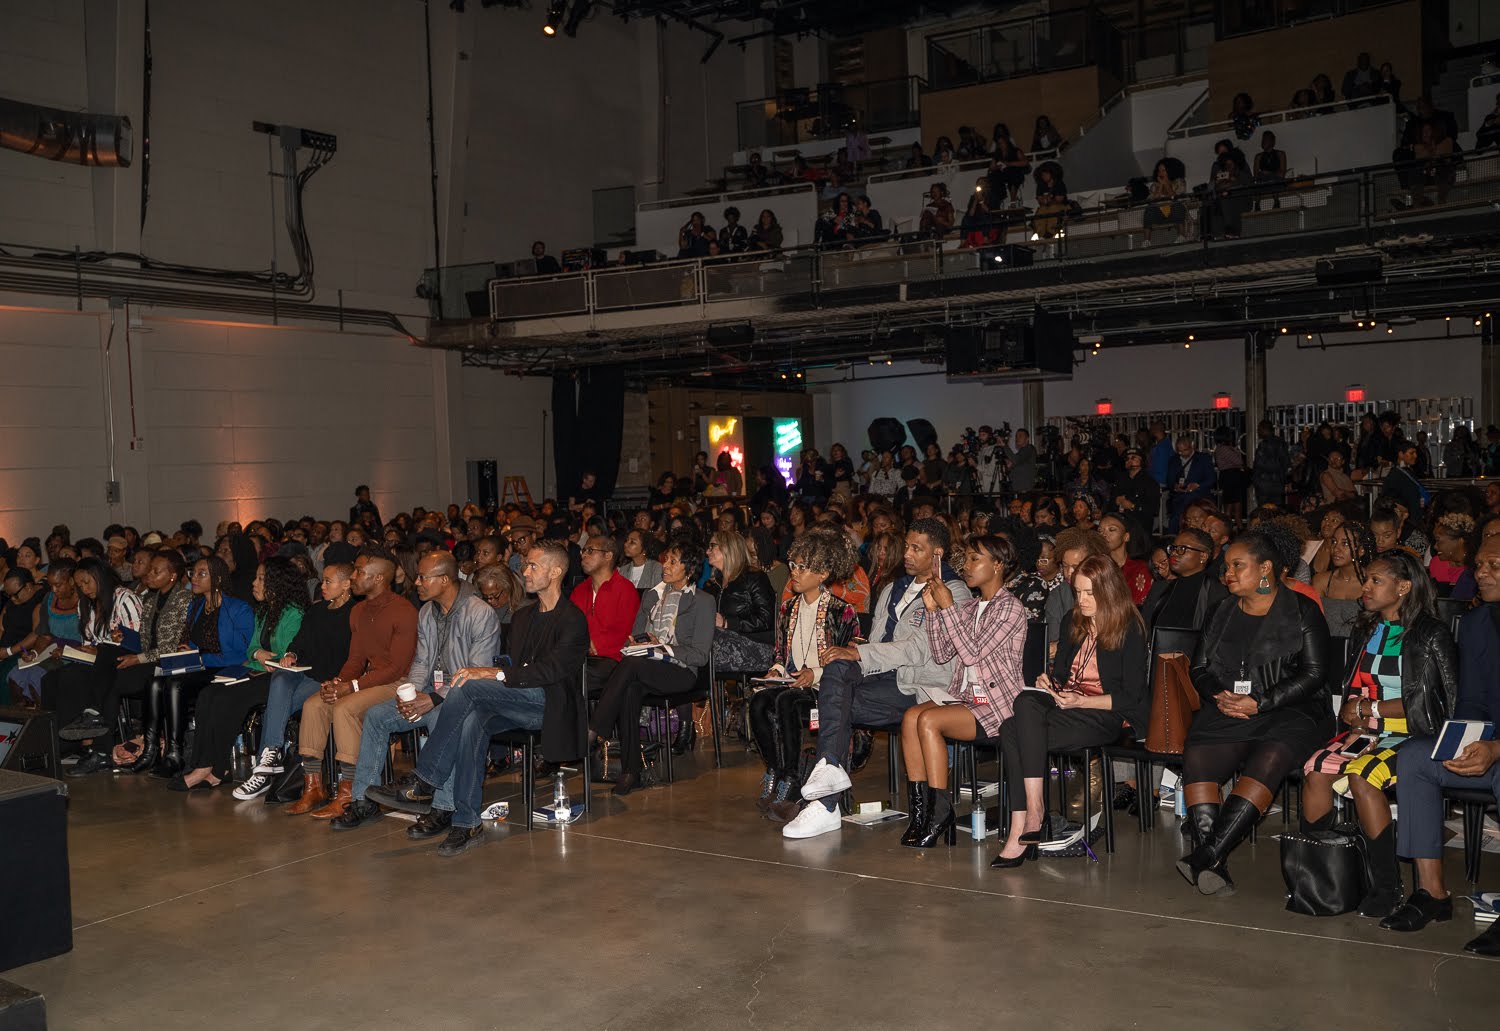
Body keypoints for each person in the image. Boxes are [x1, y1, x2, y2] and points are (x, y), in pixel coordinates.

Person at [367, 542, 589, 856]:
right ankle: (466, 823)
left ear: (555, 572)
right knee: (472, 720)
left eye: (533, 566)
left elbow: (552, 671)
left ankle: (425, 780)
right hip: (516, 700)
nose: (524, 572)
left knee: (467, 684)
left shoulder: (573, 619)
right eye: (525, 565)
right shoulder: (525, 617)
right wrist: (494, 671)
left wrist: (492, 674)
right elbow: (512, 663)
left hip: (550, 706)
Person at [779, 518, 972, 840]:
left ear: (937, 553)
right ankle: (828, 782)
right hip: (881, 679)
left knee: (834, 704)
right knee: (836, 673)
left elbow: (920, 651)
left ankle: (825, 802)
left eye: (916, 548)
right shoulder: (892, 589)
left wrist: (860, 655)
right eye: (907, 546)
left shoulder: (953, 591)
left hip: (920, 686)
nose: (907, 554)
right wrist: (852, 652)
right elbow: (877, 642)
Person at [1176, 529, 1334, 896]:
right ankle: (1213, 860)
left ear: (1265, 568)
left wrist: (1260, 702)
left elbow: (1314, 674)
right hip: (1230, 703)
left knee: (1273, 752)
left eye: (1237, 565)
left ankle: (1208, 852)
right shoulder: (1221, 610)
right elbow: (1198, 668)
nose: (1227, 572)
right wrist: (1219, 695)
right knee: (1197, 749)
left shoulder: (1301, 610)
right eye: (1226, 565)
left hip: (1292, 708)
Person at [1301, 549, 1457, 918]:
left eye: (1376, 581)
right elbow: (1353, 685)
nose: (1365, 587)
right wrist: (1350, 708)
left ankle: (1386, 885)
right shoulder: (1368, 627)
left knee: (1363, 775)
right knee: (1317, 767)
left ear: (1403, 587)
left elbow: (1438, 703)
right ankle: (1323, 875)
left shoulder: (1430, 634)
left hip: (1412, 735)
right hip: (1364, 730)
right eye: (1366, 579)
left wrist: (1370, 709)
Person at [991, 556, 1148, 867]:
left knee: (1012, 731)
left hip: (1105, 712)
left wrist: (1080, 701)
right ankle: (1034, 812)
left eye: (1090, 593)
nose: (1082, 600)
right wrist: (1049, 682)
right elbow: (1062, 675)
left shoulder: (1129, 627)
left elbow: (1132, 696)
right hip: (1066, 704)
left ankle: (1021, 825)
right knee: (1025, 702)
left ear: (1110, 591)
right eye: (1078, 592)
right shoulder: (1072, 621)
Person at [329, 550, 501, 831]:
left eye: (423, 577)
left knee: (439, 718)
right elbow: (421, 661)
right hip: (430, 694)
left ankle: (443, 807)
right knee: (376, 717)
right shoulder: (426, 612)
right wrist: (409, 696)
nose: (416, 582)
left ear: (444, 580)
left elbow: (475, 674)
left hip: (464, 697)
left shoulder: (480, 613)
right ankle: (363, 800)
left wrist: (432, 699)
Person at [1385, 535, 1500, 953]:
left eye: (1494, 566)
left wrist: (1496, 749)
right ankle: (1432, 894)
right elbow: (1469, 699)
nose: (1480, 573)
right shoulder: (1474, 623)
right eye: (1480, 565)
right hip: (1488, 742)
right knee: (1415, 756)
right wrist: (1466, 740)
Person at [899, 535, 1029, 848]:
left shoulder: (1010, 609)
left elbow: (971, 654)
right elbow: (944, 653)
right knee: (911, 716)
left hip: (999, 705)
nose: (966, 567)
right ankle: (921, 812)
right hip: (967, 698)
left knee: (929, 721)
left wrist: (947, 608)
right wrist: (933, 612)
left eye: (975, 559)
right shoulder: (971, 608)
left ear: (997, 565)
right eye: (967, 559)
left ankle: (940, 811)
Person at [285, 547, 419, 816]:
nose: (354, 576)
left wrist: (353, 686)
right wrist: (338, 682)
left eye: (359, 572)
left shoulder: (403, 610)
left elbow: (397, 668)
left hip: (399, 683)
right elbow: (356, 659)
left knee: (344, 708)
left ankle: (350, 791)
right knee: (315, 704)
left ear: (379, 578)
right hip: (369, 679)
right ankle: (314, 787)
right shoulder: (358, 611)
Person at [588, 539, 715, 797]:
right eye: (666, 559)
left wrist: (664, 647)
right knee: (630, 687)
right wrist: (640, 642)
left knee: (630, 668)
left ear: (689, 570)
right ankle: (630, 771)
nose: (665, 565)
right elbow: (635, 635)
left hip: (681, 671)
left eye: (672, 561)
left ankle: (595, 730)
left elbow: (700, 655)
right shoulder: (652, 595)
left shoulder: (703, 601)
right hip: (646, 666)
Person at [169, 557, 307, 790]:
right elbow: (251, 648)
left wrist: (265, 656)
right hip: (255, 670)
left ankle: (211, 768)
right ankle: (209, 767)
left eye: (261, 579)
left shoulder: (293, 613)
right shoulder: (264, 611)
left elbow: (289, 653)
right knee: (208, 695)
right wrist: (258, 654)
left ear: (277, 583)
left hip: (279, 678)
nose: (254, 583)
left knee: (227, 700)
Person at [752, 529, 861, 822]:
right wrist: (774, 671)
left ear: (823, 573)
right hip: (793, 682)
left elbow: (853, 662)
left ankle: (792, 781)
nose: (795, 573)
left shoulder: (843, 611)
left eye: (803, 568)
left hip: (826, 688)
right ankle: (775, 769)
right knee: (760, 701)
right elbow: (780, 654)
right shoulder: (788, 608)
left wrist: (816, 673)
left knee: (786, 702)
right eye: (794, 566)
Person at [232, 562, 357, 800]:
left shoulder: (355, 613)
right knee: (280, 678)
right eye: (323, 580)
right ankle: (270, 756)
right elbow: (300, 640)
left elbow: (355, 654)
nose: (322, 585)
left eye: (328, 581)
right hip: (306, 672)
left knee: (276, 709)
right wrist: (291, 654)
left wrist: (341, 680)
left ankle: (265, 766)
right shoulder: (317, 610)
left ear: (347, 584)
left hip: (330, 678)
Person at [705, 530, 776, 677]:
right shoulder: (712, 585)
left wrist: (727, 623)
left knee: (709, 642)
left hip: (756, 645)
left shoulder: (754, 578)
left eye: (712, 546)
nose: (707, 551)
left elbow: (766, 619)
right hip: (720, 644)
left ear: (728, 548)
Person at [1313, 521, 1375, 638]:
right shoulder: (1321, 581)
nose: (1336, 548)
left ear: (1361, 550)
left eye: (1345, 544)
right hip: (1326, 647)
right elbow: (1315, 624)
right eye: (1334, 542)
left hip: (1361, 648)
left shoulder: (1371, 582)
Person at [1098, 513, 1152, 606]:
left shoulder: (1140, 569)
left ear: (1126, 536)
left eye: (1111, 529)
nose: (1104, 535)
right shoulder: (1097, 567)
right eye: (1100, 531)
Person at [1166, 435, 1216, 530]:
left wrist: (1198, 485)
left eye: (1185, 450)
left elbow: (1212, 479)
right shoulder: (1173, 460)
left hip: (1199, 496)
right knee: (1175, 518)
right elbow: (1169, 480)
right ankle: (1172, 536)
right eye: (1179, 451)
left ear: (1191, 447)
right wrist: (1175, 486)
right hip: (1179, 496)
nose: (1182, 453)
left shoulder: (1203, 458)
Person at [1380, 438, 1427, 518]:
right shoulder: (1396, 474)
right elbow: (1390, 498)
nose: (1415, 456)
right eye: (1411, 453)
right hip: (1405, 519)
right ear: (1401, 454)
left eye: (1415, 452)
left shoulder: (1406, 471)